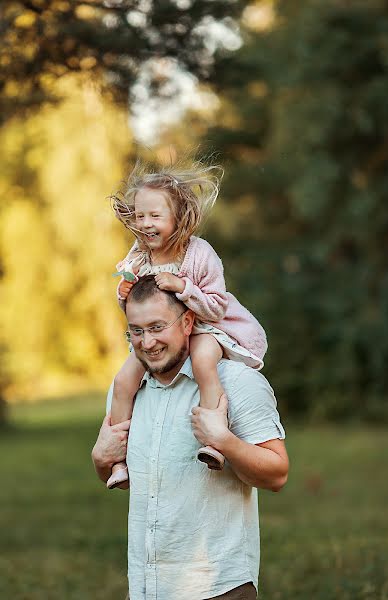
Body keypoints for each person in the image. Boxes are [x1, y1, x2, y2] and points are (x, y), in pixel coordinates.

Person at [92, 276, 288, 599]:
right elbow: (118, 475)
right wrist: (101, 460)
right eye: (136, 331)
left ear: (187, 322)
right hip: (145, 585)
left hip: (217, 587)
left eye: (157, 327)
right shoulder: (125, 393)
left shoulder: (236, 382)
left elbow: (278, 473)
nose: (147, 342)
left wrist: (224, 441)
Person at [106, 160, 268, 488]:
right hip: (163, 337)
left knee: (204, 363)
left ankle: (213, 439)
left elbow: (216, 305)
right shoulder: (137, 255)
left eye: (155, 216)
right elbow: (137, 307)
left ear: (177, 218)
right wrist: (123, 293)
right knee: (123, 382)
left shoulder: (199, 254)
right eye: (140, 216)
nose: (146, 224)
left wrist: (183, 288)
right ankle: (118, 458)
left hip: (206, 326)